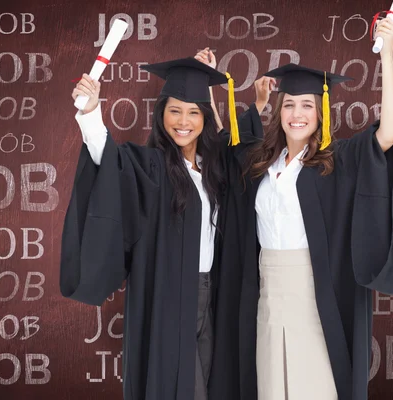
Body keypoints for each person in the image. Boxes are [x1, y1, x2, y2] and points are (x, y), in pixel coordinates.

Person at [210, 17, 393, 400]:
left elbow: (387, 133)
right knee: (272, 386)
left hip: (315, 294)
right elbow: (223, 148)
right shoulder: (260, 165)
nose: (297, 113)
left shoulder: (333, 161)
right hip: (266, 295)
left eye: (307, 104)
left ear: (321, 110)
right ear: (280, 111)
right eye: (289, 104)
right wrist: (240, 99)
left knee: (314, 387)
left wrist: (386, 56)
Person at [59, 52, 269, 400]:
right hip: (169, 295)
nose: (183, 121)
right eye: (174, 110)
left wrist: (257, 105)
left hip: (212, 294)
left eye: (193, 112)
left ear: (203, 117)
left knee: (210, 380)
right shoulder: (152, 166)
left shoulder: (215, 168)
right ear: (161, 115)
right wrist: (91, 112)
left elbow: (232, 141)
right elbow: (108, 158)